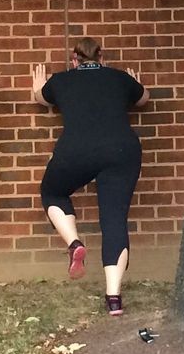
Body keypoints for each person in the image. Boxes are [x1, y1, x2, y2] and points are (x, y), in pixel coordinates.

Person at [30, 38, 147, 316]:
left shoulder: (61, 81)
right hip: (122, 151)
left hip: (76, 150)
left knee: (53, 192)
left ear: (74, 60)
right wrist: (134, 83)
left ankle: (74, 242)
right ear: (102, 57)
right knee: (114, 219)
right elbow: (144, 99)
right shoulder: (119, 79)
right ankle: (114, 298)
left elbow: (39, 97)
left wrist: (38, 86)